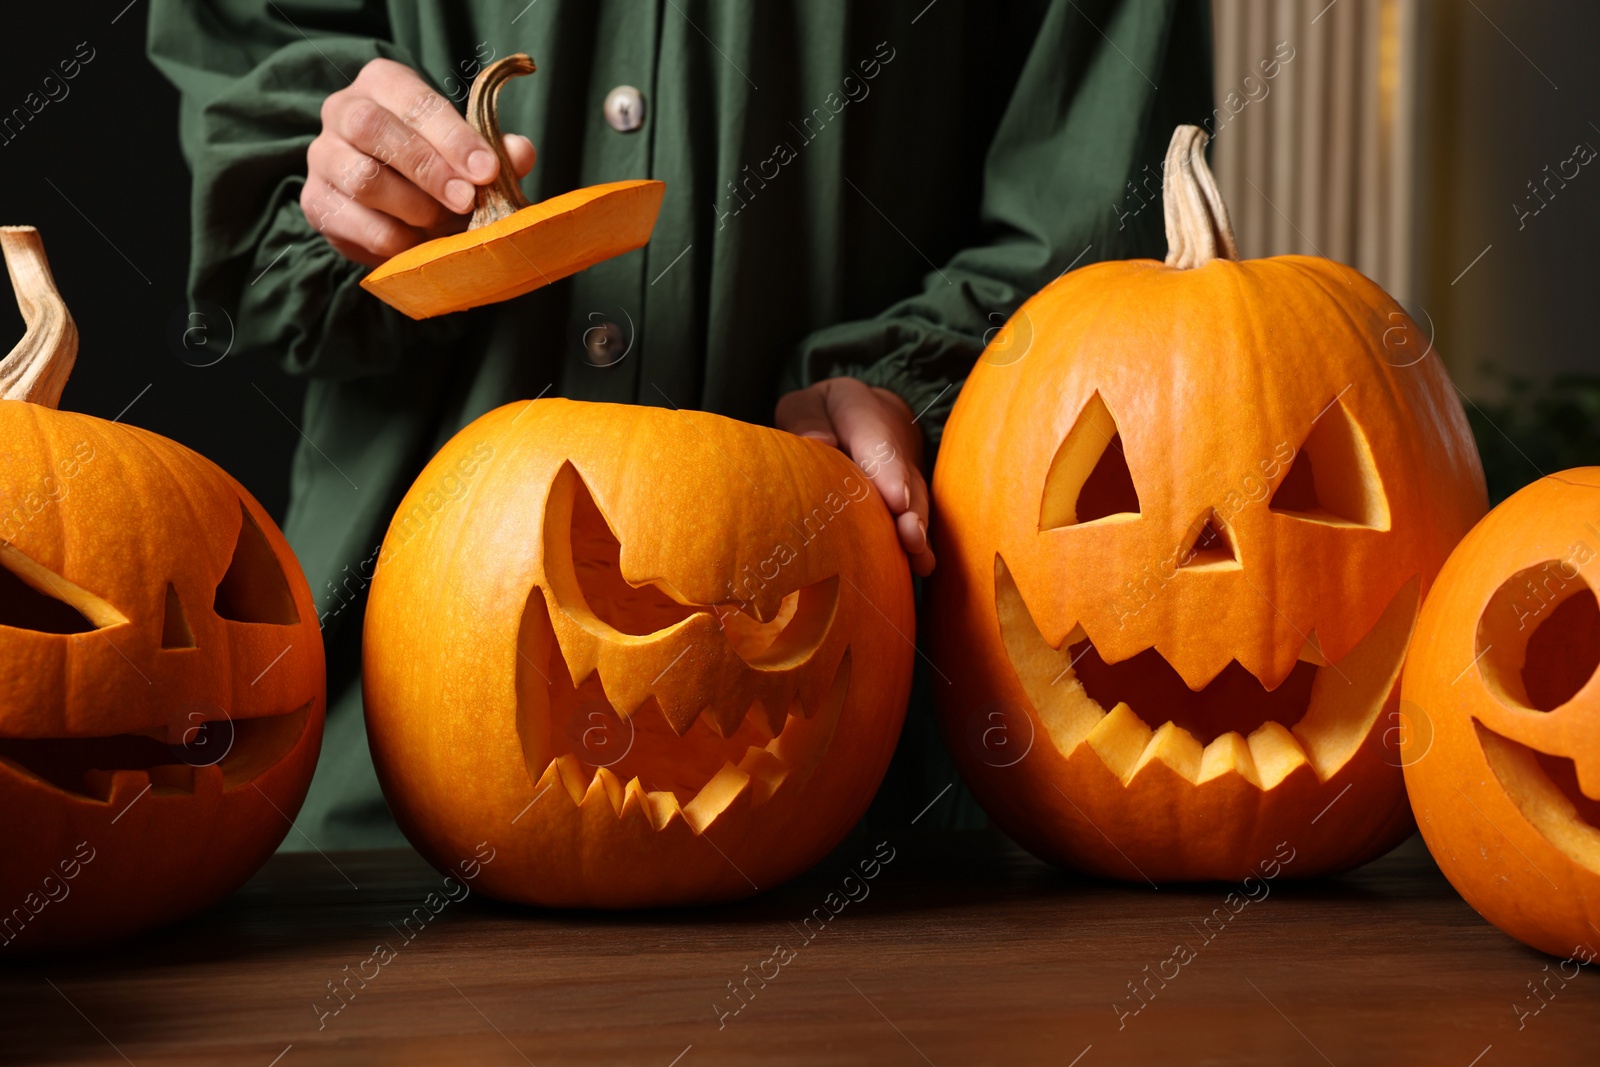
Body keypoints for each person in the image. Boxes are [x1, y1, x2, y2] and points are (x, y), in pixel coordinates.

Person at [148, 0, 1213, 849]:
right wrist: (341, 185)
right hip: (374, 795)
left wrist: (914, 381)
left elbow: (1098, 236)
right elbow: (257, 154)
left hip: (887, 799)